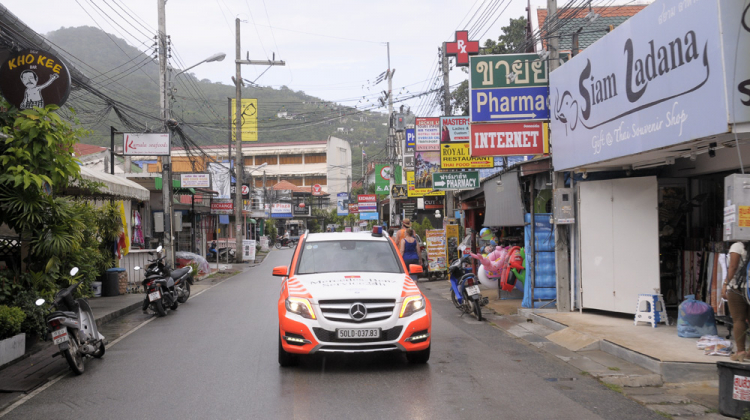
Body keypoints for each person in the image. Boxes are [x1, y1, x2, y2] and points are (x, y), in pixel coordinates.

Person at [722, 241, 750, 362]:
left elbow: (733, 267)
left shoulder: (737, 246)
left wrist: (725, 284)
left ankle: (741, 352)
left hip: (737, 288)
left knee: (738, 319)